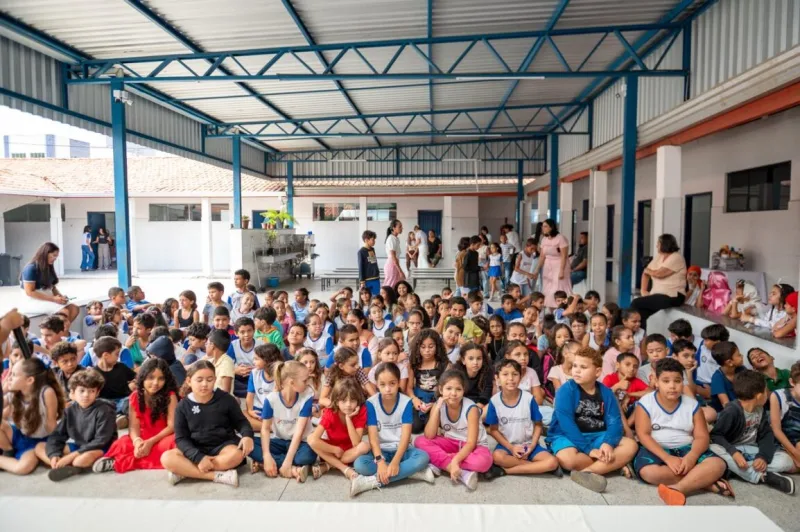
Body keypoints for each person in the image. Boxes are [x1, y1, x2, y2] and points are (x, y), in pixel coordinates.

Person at [633, 358, 730, 505]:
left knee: (718, 465)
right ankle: (704, 481)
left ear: (683, 381)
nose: (672, 386)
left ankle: (679, 488)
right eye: (666, 381)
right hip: (657, 449)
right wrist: (667, 458)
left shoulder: (692, 405)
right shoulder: (646, 403)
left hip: (687, 448)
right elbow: (643, 435)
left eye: (677, 381)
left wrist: (692, 457)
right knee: (649, 472)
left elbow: (702, 436)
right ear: (656, 382)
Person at [546, 347, 638, 493]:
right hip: (566, 436)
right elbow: (567, 425)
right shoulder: (565, 390)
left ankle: (587, 472)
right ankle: (612, 464)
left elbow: (615, 422)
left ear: (597, 372)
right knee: (568, 460)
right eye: (575, 366)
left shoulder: (606, 393)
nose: (576, 370)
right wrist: (589, 450)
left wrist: (608, 443)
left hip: (597, 435)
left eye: (583, 367)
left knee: (631, 446)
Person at [161, 360, 254, 487]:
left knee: (237, 454)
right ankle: (217, 475)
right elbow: (181, 438)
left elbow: (241, 422)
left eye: (209, 380)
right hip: (195, 448)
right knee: (167, 458)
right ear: (189, 381)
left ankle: (186, 472)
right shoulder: (183, 406)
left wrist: (247, 435)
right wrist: (198, 457)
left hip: (223, 446)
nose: (204, 384)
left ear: (215, 380)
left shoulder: (226, 399)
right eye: (199, 380)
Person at [351, 362, 434, 496]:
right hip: (380, 451)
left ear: (398, 383)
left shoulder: (406, 402)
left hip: (401, 450)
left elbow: (406, 436)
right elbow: (373, 437)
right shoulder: (371, 403)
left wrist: (395, 462)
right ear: (376, 384)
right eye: (382, 385)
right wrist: (380, 461)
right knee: (360, 464)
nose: (388, 389)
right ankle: (411, 473)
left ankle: (371, 481)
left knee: (422, 457)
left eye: (392, 384)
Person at [709, 370, 795, 494]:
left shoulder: (760, 410)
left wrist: (763, 457)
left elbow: (766, 435)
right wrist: (734, 453)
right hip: (731, 449)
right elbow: (716, 435)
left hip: (750, 450)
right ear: (759, 396)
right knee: (713, 448)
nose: (768, 394)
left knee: (786, 460)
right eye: (766, 391)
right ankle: (761, 476)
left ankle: (736, 470)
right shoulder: (732, 410)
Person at [94, 358, 178, 474]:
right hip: (143, 437)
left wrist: (150, 443)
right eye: (151, 378)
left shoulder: (170, 396)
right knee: (121, 443)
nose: (155, 383)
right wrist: (137, 442)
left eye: (161, 378)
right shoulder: (135, 396)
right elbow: (133, 427)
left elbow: (172, 427)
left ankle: (120, 462)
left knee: (176, 442)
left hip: (163, 437)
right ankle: (137, 458)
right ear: (143, 377)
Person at [414, 369, 493, 490]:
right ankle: (461, 473)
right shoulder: (439, 405)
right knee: (420, 441)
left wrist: (456, 460)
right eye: (449, 388)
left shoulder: (471, 409)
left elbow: (471, 443)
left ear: (463, 391)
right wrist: (436, 408)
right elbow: (429, 435)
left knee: (484, 462)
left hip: (474, 446)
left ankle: (440, 462)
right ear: (441, 390)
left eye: (458, 389)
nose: (453, 393)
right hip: (452, 442)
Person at [483, 359, 560, 480]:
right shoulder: (495, 401)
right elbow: (493, 430)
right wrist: (511, 448)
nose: (510, 378)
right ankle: (537, 467)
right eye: (505, 374)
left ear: (520, 377)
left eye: (515, 374)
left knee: (552, 462)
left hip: (528, 444)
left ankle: (506, 471)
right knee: (497, 457)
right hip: (507, 446)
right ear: (497, 378)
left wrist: (532, 446)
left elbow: (538, 425)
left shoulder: (528, 398)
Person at [41, 369, 118, 482]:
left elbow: (101, 440)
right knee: (40, 447)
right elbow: (58, 435)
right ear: (72, 393)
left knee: (79, 460)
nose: (86, 395)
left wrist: (71, 456)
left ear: (97, 393)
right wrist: (54, 454)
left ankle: (75, 466)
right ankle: (59, 463)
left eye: (91, 391)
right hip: (81, 446)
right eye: (82, 391)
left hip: (102, 447)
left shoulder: (104, 410)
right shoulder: (70, 410)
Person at [249, 360, 317, 481]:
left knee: (306, 457)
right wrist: (266, 456)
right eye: (305, 380)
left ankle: (269, 464)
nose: (308, 383)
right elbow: (265, 429)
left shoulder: (307, 395)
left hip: (301, 442)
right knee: (249, 443)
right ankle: (290, 468)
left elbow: (299, 433)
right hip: (279, 441)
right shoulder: (271, 399)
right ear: (292, 382)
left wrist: (287, 462)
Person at [0, 358, 64, 475]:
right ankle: (8, 451)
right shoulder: (13, 393)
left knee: (23, 468)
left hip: (42, 441)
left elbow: (51, 424)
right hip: (21, 436)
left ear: (29, 380)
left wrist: (54, 447)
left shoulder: (46, 392)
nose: (9, 378)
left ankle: (57, 463)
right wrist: (4, 390)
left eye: (13, 375)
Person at [308, 378, 371, 482]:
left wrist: (348, 418)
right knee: (310, 439)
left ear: (358, 401)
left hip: (349, 452)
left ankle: (329, 465)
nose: (348, 404)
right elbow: (314, 439)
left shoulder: (361, 411)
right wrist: (334, 449)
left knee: (365, 446)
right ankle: (345, 469)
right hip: (333, 450)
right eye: (344, 400)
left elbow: (356, 443)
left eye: (352, 400)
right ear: (336, 402)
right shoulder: (330, 412)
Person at [631, 234, 687, 327]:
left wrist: (648, 270)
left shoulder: (677, 257)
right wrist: (643, 290)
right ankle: (642, 335)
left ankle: (636, 332)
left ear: (665, 244)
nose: (657, 246)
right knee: (641, 312)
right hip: (657, 295)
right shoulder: (659, 256)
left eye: (658, 243)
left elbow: (660, 274)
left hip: (673, 296)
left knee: (636, 303)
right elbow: (645, 274)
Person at [19, 242, 78, 321]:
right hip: (34, 301)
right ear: (45, 253)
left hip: (48, 298)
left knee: (74, 308)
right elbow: (29, 292)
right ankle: (60, 331)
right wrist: (53, 299)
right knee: (64, 312)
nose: (55, 258)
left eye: (56, 256)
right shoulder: (31, 268)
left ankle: (62, 331)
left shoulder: (48, 267)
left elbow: (52, 287)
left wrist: (61, 297)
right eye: (53, 255)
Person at [533, 219, 572, 309]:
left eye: (545, 226)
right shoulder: (544, 239)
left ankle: (562, 308)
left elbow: (564, 256)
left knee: (559, 287)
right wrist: (537, 269)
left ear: (551, 227)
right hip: (548, 265)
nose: (543, 228)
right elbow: (542, 256)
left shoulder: (560, 238)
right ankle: (551, 310)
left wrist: (561, 270)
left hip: (560, 265)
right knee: (548, 289)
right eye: (542, 226)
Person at [358, 230, 381, 297]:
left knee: (376, 297)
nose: (374, 241)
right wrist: (362, 281)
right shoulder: (361, 252)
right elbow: (361, 267)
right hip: (367, 280)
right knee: (367, 298)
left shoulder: (372, 249)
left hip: (376, 278)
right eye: (372, 240)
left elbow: (373, 263)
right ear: (366, 240)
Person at [384, 220, 406, 287]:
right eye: (400, 227)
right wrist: (400, 271)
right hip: (392, 264)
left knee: (395, 285)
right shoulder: (391, 238)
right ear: (394, 228)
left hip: (394, 263)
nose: (402, 228)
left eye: (402, 226)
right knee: (390, 286)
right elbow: (393, 256)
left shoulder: (395, 238)